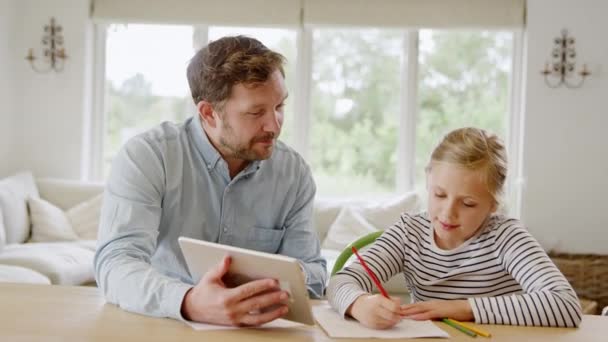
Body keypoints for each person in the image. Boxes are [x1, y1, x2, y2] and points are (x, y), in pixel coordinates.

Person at [94, 36, 326, 326]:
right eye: (256, 112)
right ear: (208, 113)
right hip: (163, 323)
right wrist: (189, 301)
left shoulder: (293, 173)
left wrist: (284, 278)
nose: (274, 125)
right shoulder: (149, 156)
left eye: (279, 106)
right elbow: (116, 264)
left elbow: (314, 274)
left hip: (258, 331)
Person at [327, 127, 582, 329]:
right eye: (439, 195)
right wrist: (359, 304)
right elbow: (340, 281)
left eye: (468, 203)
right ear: (428, 181)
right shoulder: (409, 232)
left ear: (493, 204)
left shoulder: (506, 237)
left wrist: (464, 308)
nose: (448, 213)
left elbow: (566, 304)